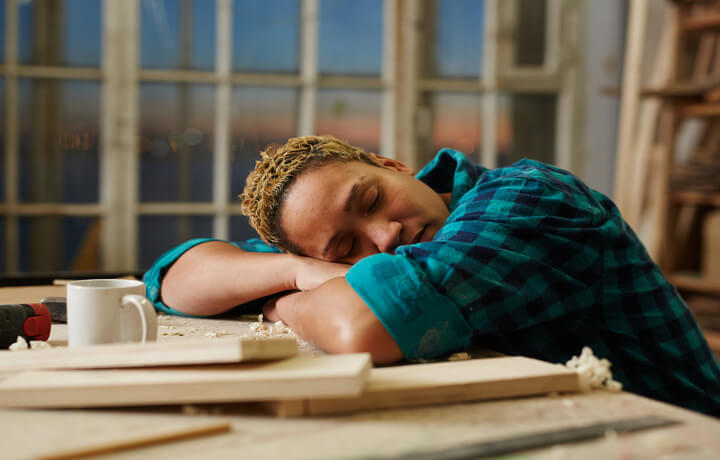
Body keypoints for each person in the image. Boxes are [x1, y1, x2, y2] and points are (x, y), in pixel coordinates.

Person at [144, 134, 720, 416]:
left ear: (392, 165)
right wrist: (296, 271)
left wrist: (278, 300)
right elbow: (175, 279)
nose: (384, 235)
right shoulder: (334, 261)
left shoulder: (524, 201)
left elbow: (362, 327)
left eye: (372, 198)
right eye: (346, 245)